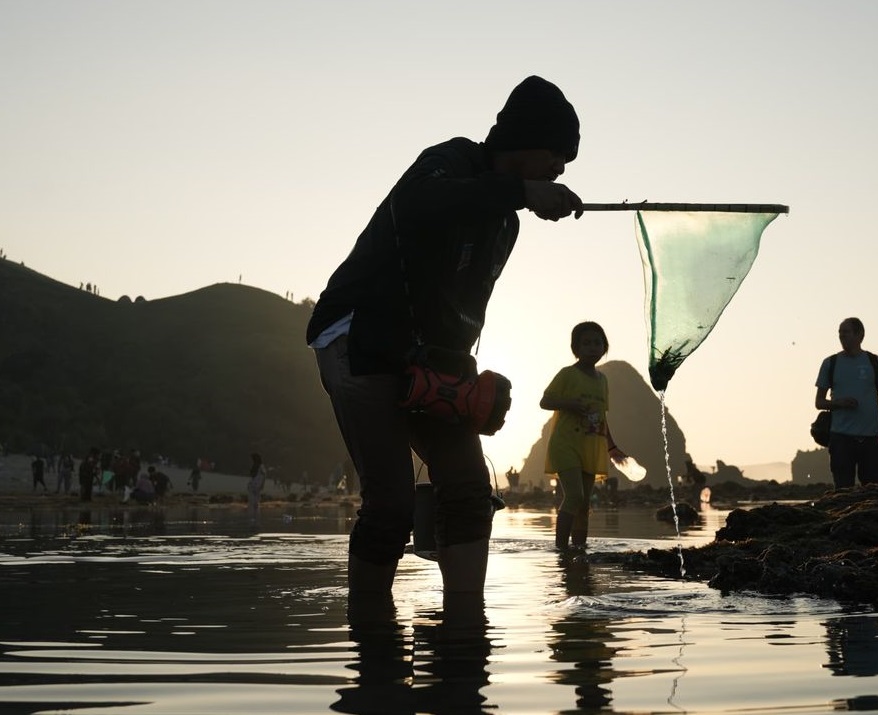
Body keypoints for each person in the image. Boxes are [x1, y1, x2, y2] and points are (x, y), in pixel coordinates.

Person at [305, 76, 583, 600]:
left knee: (469, 492)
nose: (560, 169)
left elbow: (464, 314)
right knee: (390, 504)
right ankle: (370, 635)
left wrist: (469, 389)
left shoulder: (507, 224)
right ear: (523, 142)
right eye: (556, 155)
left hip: (425, 361)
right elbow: (421, 205)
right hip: (357, 338)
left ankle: (465, 628)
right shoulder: (451, 161)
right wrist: (522, 192)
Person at [540, 321, 627, 551]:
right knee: (575, 496)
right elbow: (545, 401)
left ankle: (578, 549)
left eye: (597, 343)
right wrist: (569, 403)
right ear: (576, 348)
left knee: (584, 503)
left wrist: (612, 447)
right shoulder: (567, 374)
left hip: (591, 447)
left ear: (604, 347)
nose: (592, 347)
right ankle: (560, 549)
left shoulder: (602, 380)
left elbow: (602, 418)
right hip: (565, 444)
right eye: (586, 343)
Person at [814, 317, 878, 488]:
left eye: (846, 332)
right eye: (840, 333)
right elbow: (819, 402)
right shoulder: (830, 363)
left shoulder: (875, 362)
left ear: (860, 335)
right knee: (843, 491)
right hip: (840, 438)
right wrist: (839, 403)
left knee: (874, 493)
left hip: (871, 438)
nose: (842, 336)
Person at [248, 453, 266, 519]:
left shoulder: (258, 466)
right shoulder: (260, 466)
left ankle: (254, 516)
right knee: (255, 501)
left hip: (255, 485)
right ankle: (255, 515)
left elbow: (252, 475)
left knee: (253, 501)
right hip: (256, 485)